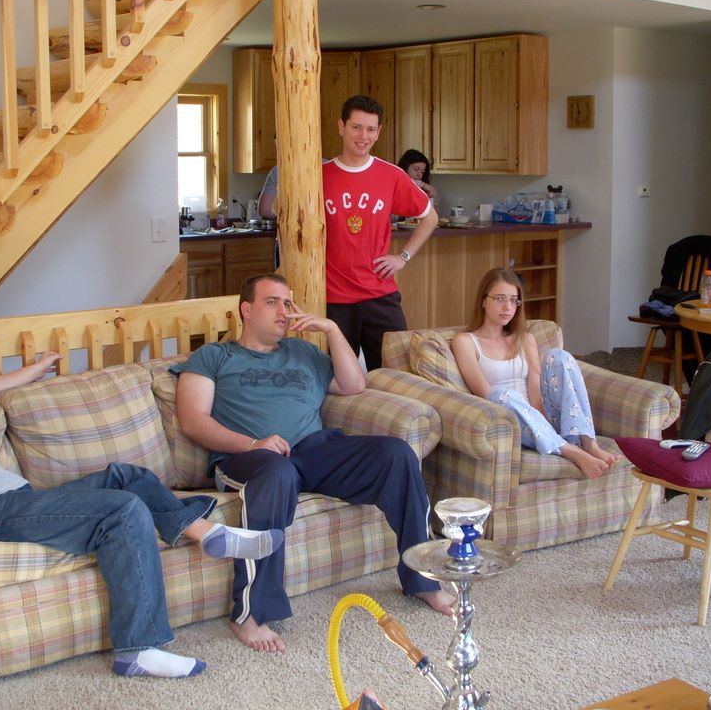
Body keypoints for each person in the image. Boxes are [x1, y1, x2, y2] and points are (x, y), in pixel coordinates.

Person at [0, 315, 284, 680]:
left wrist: (34, 370)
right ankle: (138, 649)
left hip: (19, 498)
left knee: (126, 475)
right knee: (122, 510)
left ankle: (205, 533)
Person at [173, 274, 453, 653]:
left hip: (313, 450)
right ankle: (251, 613)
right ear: (246, 309)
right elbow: (193, 421)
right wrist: (254, 443)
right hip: (249, 457)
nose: (284, 311)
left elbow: (354, 385)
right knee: (277, 472)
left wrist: (332, 330)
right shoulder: (214, 357)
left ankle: (423, 580)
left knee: (397, 454)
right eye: (272, 302)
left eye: (288, 303)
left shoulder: (303, 352)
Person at [452, 268, 619, 480]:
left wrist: (543, 422)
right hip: (512, 422)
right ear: (484, 301)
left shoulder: (525, 338)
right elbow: (484, 393)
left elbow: (535, 390)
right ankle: (572, 452)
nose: (508, 307)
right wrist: (533, 421)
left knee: (559, 356)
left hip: (541, 420)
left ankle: (589, 443)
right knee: (499, 394)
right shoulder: (466, 342)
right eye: (500, 298)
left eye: (513, 300)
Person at [323, 95, 439, 370]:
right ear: (341, 127)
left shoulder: (391, 175)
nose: (363, 136)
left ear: (378, 132)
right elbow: (282, 210)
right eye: (356, 127)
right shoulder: (319, 175)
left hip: (380, 294)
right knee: (336, 380)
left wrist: (403, 257)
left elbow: (430, 217)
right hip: (332, 299)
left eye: (370, 129)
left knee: (397, 375)